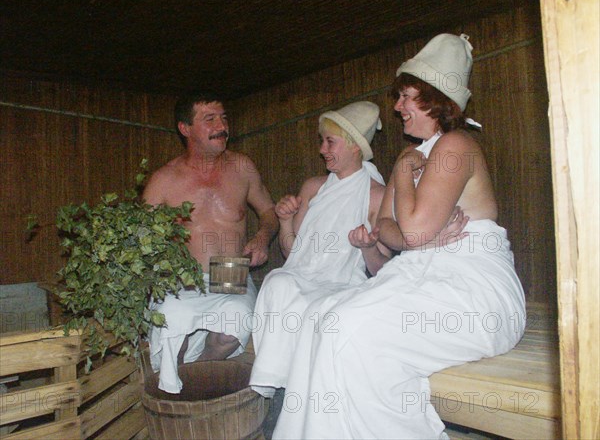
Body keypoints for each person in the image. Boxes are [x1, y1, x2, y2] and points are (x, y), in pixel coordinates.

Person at [273, 34, 526, 439]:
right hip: (422, 277)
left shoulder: (456, 146)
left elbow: (407, 228)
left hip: (472, 292)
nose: (397, 107)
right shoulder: (411, 158)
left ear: (435, 98)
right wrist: (417, 229)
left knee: (348, 328)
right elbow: (387, 233)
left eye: (407, 96)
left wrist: (411, 210)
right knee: (319, 318)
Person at [249, 101, 392, 400]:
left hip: (341, 284)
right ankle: (279, 386)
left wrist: (366, 247)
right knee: (278, 281)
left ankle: (304, 395)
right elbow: (291, 253)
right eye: (322, 141)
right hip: (302, 278)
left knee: (316, 310)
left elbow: (381, 269)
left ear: (355, 146)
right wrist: (285, 220)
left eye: (330, 142)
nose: (322, 149)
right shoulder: (313, 187)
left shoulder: (377, 195)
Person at [143, 92, 278, 394]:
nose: (222, 126)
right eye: (210, 119)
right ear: (185, 128)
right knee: (170, 324)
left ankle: (195, 375)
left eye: (224, 118)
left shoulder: (242, 167)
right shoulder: (164, 179)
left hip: (230, 270)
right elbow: (142, 237)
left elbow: (268, 212)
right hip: (184, 276)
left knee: (237, 322)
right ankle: (172, 385)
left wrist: (261, 237)